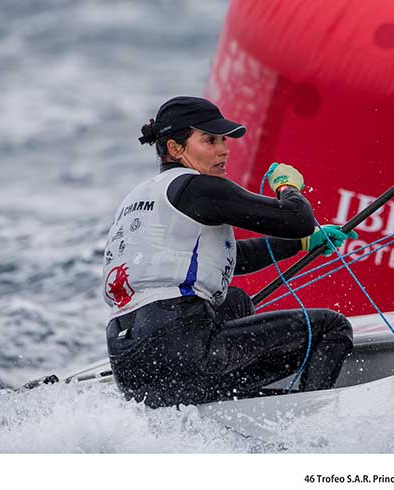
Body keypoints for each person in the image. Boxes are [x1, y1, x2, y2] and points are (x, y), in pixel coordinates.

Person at [103, 96, 355, 408]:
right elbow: (297, 218)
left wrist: (302, 244)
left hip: (130, 364)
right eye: (209, 140)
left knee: (234, 302)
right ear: (174, 148)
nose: (224, 150)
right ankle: (307, 427)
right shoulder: (197, 188)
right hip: (181, 346)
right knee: (331, 327)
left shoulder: (142, 196)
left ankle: (235, 408)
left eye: (224, 140)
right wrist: (287, 187)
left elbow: (232, 259)